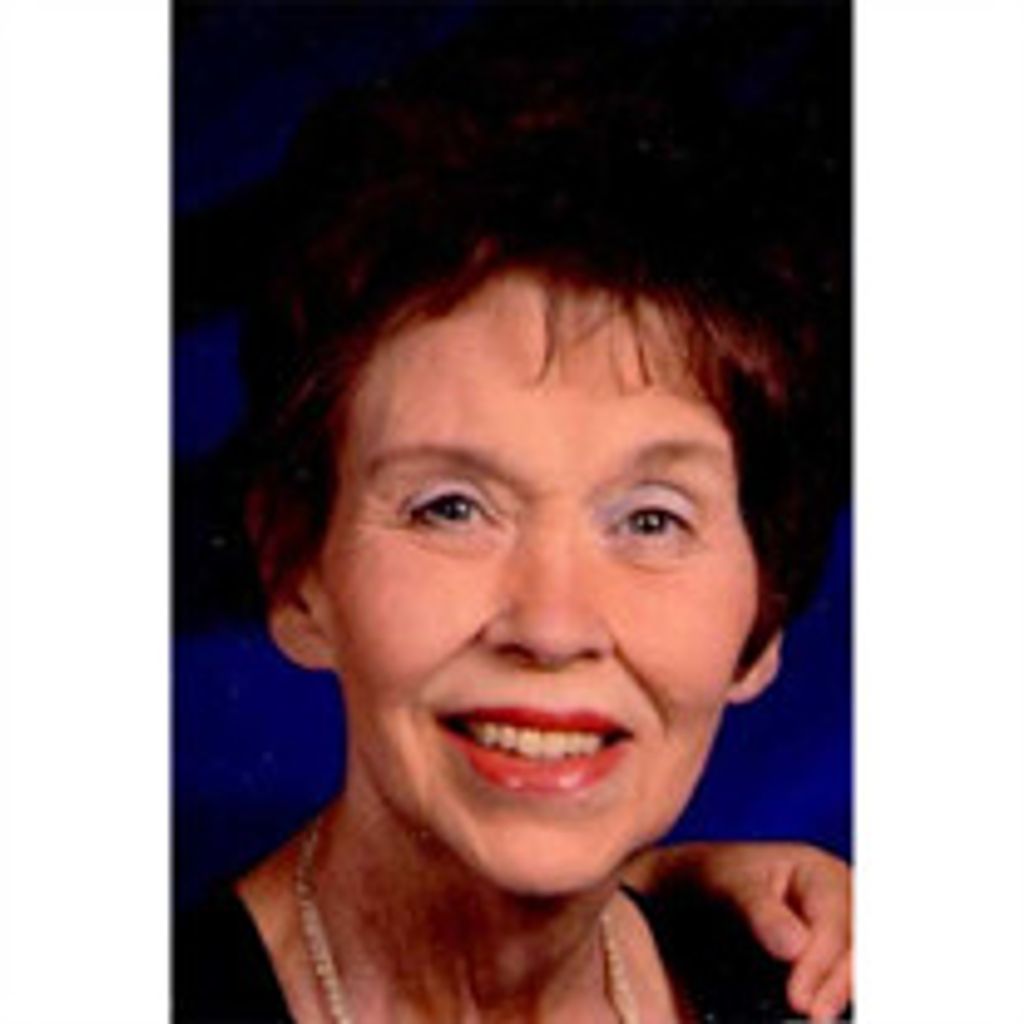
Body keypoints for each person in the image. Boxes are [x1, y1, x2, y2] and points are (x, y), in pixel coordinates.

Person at [176, 9, 851, 1022]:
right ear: (296, 569)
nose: (552, 623)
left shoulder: (807, 984)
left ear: (766, 611)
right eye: (451, 507)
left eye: (652, 520)